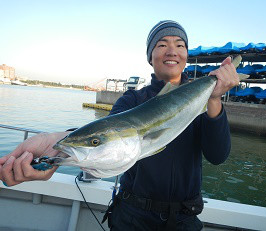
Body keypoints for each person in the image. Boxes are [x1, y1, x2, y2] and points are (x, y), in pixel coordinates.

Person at [0, 20, 239, 230]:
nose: (172, 51)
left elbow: (217, 156)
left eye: (180, 45)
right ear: (150, 55)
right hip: (132, 217)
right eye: (162, 44)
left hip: (184, 220)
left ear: (186, 55)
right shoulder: (131, 100)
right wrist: (53, 146)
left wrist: (214, 98)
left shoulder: (202, 99)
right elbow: (108, 137)